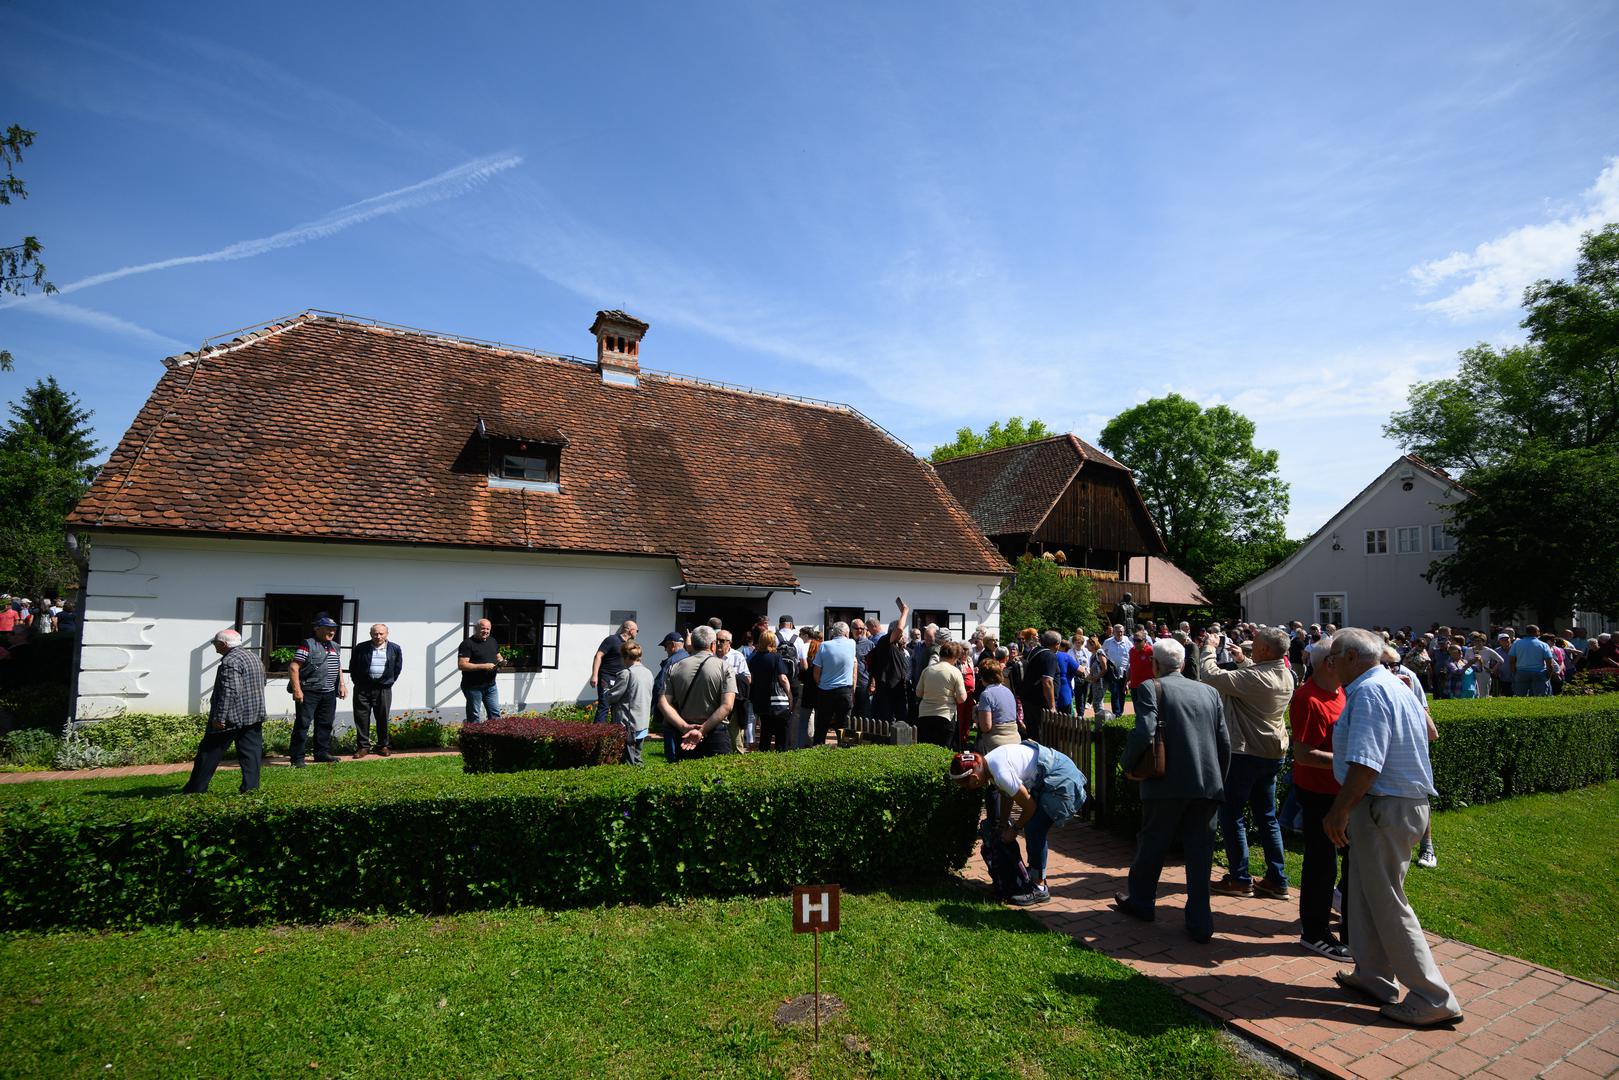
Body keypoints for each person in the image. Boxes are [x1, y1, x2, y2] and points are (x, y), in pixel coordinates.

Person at [1323, 629, 1463, 1028]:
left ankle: (1433, 996)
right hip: (1398, 807)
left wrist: (1339, 810)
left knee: (1387, 900)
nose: (1330, 665)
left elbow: (1367, 762)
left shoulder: (1368, 692)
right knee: (1365, 895)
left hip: (1384, 807)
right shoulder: (1394, 684)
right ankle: (1373, 977)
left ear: (1351, 657)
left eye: (1334, 657)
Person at [1113, 637, 1230, 943]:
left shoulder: (1152, 687)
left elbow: (1145, 730)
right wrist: (1219, 779)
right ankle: (1201, 921)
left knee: (1152, 843)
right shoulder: (1210, 691)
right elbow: (1224, 742)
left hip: (1165, 782)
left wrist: (1126, 763)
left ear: (1155, 665)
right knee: (1200, 853)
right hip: (1206, 784)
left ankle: (1141, 902)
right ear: (1181, 663)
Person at [1198, 626, 1294, 899]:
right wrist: (1242, 660)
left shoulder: (1257, 679)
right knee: (1267, 817)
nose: (1251, 645)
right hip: (1273, 753)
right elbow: (1257, 675)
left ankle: (1240, 879)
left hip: (1246, 753)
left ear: (1264, 650)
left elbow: (1210, 675)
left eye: (1256, 644)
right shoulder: (1285, 673)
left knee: (1232, 815)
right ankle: (1277, 879)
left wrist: (1209, 648)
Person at [948, 739, 1087, 907]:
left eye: (965, 785)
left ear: (975, 778)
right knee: (1033, 826)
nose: (966, 789)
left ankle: (1039, 887)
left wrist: (1014, 829)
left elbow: (1030, 807)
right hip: (1051, 774)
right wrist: (1002, 825)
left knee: (1034, 828)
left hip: (1061, 779)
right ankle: (1035, 875)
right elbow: (1008, 794)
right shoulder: (990, 763)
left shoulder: (1000, 773)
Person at [1289, 636, 1351, 960]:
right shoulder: (1307, 698)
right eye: (1345, 657)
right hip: (1318, 794)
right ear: (1330, 662)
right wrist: (1350, 761)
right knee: (1321, 864)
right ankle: (1314, 932)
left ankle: (1350, 930)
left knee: (1351, 862)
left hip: (1342, 792)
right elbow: (1303, 754)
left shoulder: (1341, 691)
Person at [181, 629, 268, 794]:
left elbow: (230, 690)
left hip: (232, 716)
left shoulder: (230, 661)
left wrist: (220, 717)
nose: (214, 646)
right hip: (254, 714)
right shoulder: (254, 657)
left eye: (215, 643)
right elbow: (262, 681)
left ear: (223, 644)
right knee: (251, 753)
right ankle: (250, 789)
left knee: (208, 752)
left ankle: (195, 789)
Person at [657, 624, 737, 758]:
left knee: (686, 776)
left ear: (692, 644)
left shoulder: (674, 667)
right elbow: (727, 705)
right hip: (715, 732)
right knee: (720, 777)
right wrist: (702, 730)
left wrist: (684, 727)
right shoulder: (724, 667)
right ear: (713, 645)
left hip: (684, 734)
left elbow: (663, 703)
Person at [289, 615, 347, 766]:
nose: (332, 631)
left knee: (325, 724)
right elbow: (294, 667)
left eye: (334, 629)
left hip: (329, 692)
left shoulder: (335, 646)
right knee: (303, 725)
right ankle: (297, 758)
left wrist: (342, 684)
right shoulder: (307, 644)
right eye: (328, 628)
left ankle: (321, 753)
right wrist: (297, 690)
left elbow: (337, 666)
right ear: (317, 629)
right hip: (309, 691)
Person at [348, 623, 402, 758]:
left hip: (383, 688)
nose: (378, 636)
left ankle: (383, 746)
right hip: (362, 688)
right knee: (361, 718)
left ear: (386, 634)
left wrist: (388, 682)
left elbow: (397, 668)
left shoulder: (395, 648)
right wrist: (358, 682)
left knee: (382, 717)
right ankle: (363, 747)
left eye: (381, 633)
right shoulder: (361, 648)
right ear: (371, 634)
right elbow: (353, 666)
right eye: (375, 633)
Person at [604, 640, 653, 766]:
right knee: (637, 757)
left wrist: (606, 691)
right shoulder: (648, 672)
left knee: (628, 761)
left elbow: (612, 696)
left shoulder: (627, 673)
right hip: (643, 722)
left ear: (625, 657)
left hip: (628, 724)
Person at [747, 628, 794, 751]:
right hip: (777, 701)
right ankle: (781, 753)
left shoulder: (753, 658)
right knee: (781, 731)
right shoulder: (776, 657)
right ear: (773, 642)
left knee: (765, 730)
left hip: (760, 699)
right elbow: (783, 678)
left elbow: (750, 679)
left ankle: (764, 754)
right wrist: (790, 695)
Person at [867, 597, 912, 723]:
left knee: (901, 720)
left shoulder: (898, 648)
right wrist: (905, 612)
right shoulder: (885, 642)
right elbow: (899, 628)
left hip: (898, 690)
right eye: (901, 635)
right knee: (885, 722)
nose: (903, 637)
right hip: (886, 690)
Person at [813, 621, 858, 743]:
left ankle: (818, 748)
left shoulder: (824, 645)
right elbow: (854, 665)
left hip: (826, 689)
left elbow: (816, 670)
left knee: (822, 723)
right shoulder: (852, 643)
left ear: (833, 632)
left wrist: (820, 683)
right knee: (843, 723)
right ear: (846, 633)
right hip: (844, 689)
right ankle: (843, 749)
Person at [916, 640, 968, 746]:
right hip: (945, 715)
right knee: (943, 749)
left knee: (926, 750)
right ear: (955, 657)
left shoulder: (927, 670)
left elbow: (919, 693)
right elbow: (961, 698)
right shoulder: (955, 671)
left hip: (925, 715)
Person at [591, 619, 638, 723]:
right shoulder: (612, 640)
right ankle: (596, 735)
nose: (637, 633)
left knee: (617, 707)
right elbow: (598, 655)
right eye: (637, 630)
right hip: (607, 677)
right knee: (604, 705)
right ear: (631, 630)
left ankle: (614, 734)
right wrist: (595, 675)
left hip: (620, 679)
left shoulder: (629, 645)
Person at [457, 617, 505, 723]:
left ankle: (494, 738)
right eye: (483, 628)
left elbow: (498, 656)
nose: (486, 631)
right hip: (473, 687)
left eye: (488, 629)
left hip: (491, 686)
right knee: (474, 717)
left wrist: (501, 661)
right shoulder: (467, 644)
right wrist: (484, 666)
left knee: (495, 715)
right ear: (476, 628)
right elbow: (462, 665)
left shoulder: (493, 641)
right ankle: (473, 738)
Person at [1017, 630, 1060, 742]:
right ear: (1057, 644)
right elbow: (1047, 682)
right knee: (1043, 737)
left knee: (1033, 735)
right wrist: (1052, 706)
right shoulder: (1050, 656)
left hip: (1028, 699)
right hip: (1040, 703)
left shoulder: (1034, 651)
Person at [653, 631, 689, 763]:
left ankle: (672, 765)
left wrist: (658, 712)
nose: (665, 650)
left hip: (671, 709)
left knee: (672, 746)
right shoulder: (689, 657)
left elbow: (659, 686)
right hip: (686, 708)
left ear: (672, 645)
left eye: (666, 646)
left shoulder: (671, 661)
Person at [973, 659, 1021, 752]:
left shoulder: (986, 694)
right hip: (1015, 740)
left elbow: (986, 727)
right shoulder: (1008, 691)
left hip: (996, 744)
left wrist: (976, 716)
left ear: (983, 677)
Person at [715, 629, 752, 749]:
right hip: (715, 700)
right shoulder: (710, 656)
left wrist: (731, 679)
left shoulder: (737, 656)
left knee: (735, 733)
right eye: (716, 640)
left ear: (729, 642)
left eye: (722, 641)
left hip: (734, 701)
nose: (718, 643)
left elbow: (748, 678)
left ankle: (737, 757)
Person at [1506, 624, 1555, 697]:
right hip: (1539, 673)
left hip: (1521, 672)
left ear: (1526, 632)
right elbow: (1549, 663)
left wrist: (1514, 673)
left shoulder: (1517, 643)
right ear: (1537, 632)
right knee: (1539, 697)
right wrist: (1548, 676)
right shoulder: (1543, 645)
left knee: (1520, 697)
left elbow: (1512, 661)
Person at [1102, 624, 1132, 717]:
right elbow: (1103, 654)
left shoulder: (1128, 643)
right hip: (1112, 672)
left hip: (1124, 671)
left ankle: (1120, 712)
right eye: (1118, 631)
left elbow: (1131, 656)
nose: (1120, 633)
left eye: (1122, 631)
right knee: (1114, 692)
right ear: (1113, 632)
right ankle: (1116, 713)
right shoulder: (1108, 642)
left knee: (1122, 692)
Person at [1052, 636, 1080, 714]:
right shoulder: (1066, 657)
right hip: (1064, 689)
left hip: (1050, 689)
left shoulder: (1047, 655)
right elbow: (1080, 669)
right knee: (1066, 716)